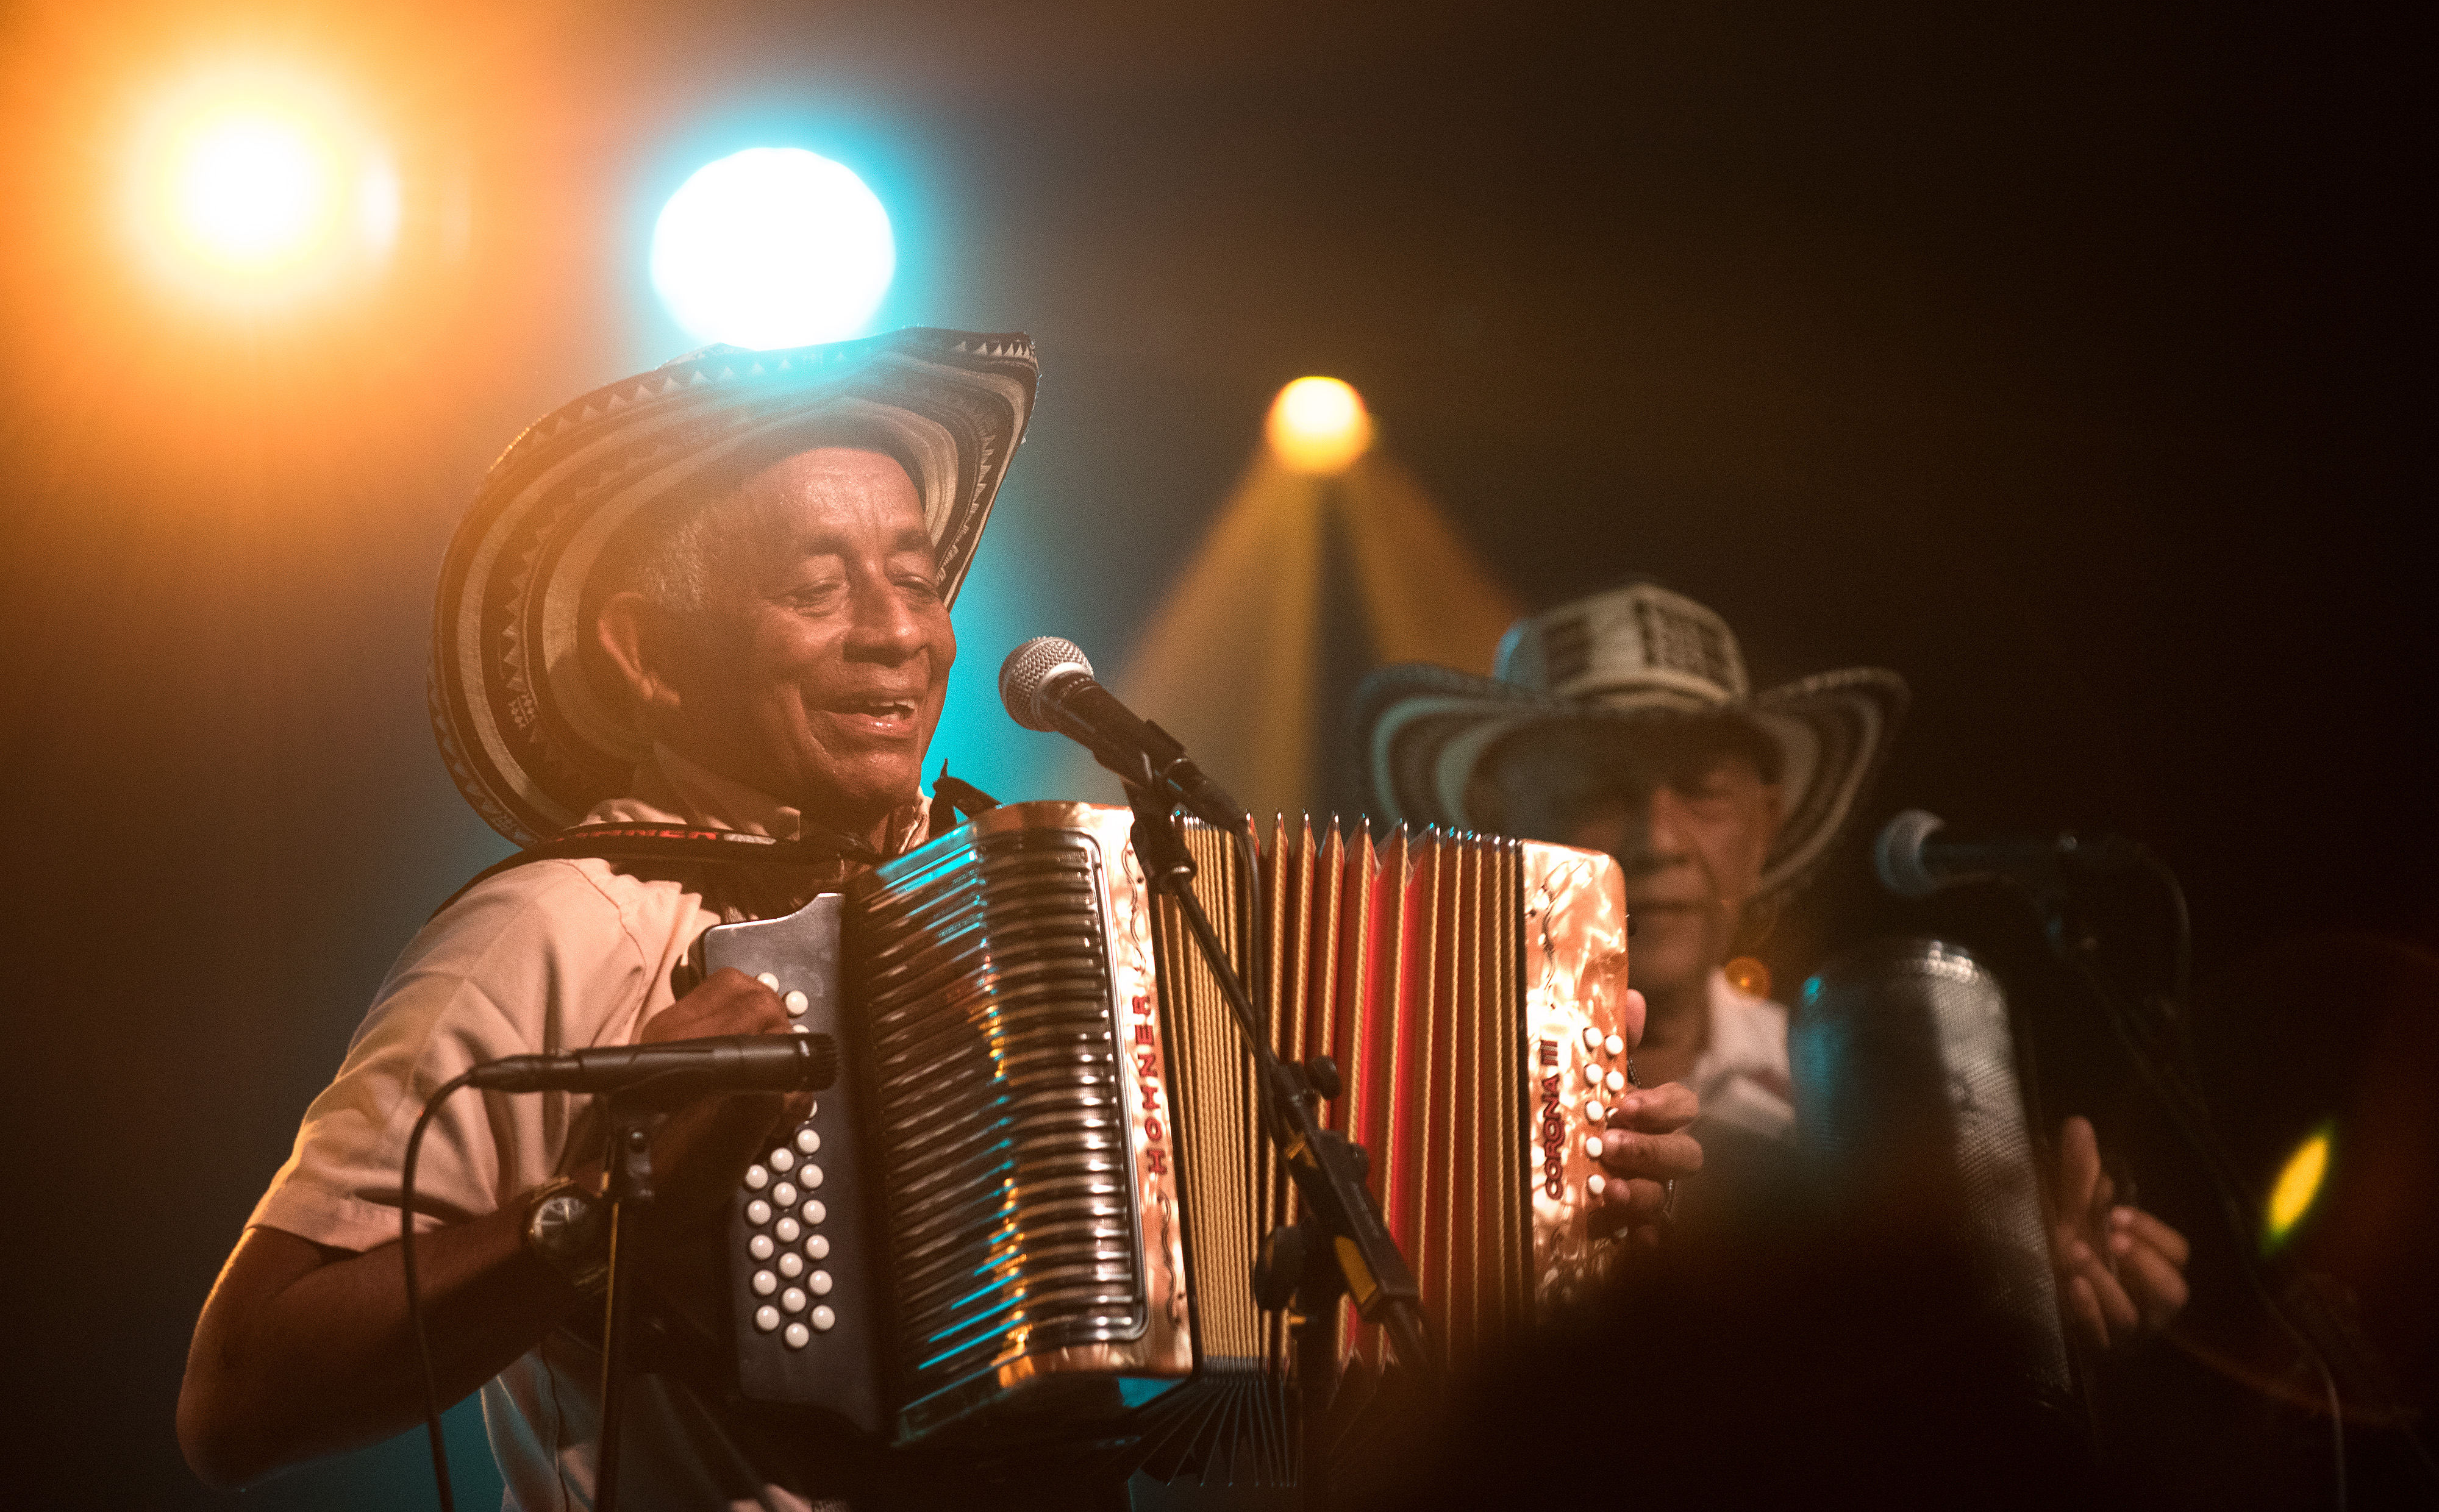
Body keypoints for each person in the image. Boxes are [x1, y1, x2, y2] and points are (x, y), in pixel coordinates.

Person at [175, 332, 1701, 1508]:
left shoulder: (1076, 908)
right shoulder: (561, 929)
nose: (896, 631)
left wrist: (1548, 1202)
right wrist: (602, 1212)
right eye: (816, 589)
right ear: (649, 653)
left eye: (913, 578)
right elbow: (239, 1393)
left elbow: (1266, 1375)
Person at [1354, 579, 2190, 1351]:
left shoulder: (1867, 1112)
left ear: (1766, 826)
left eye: (1703, 786)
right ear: (1496, 821)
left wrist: (2024, 1290)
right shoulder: (1402, 1097)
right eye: (1594, 788)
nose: (1658, 838)